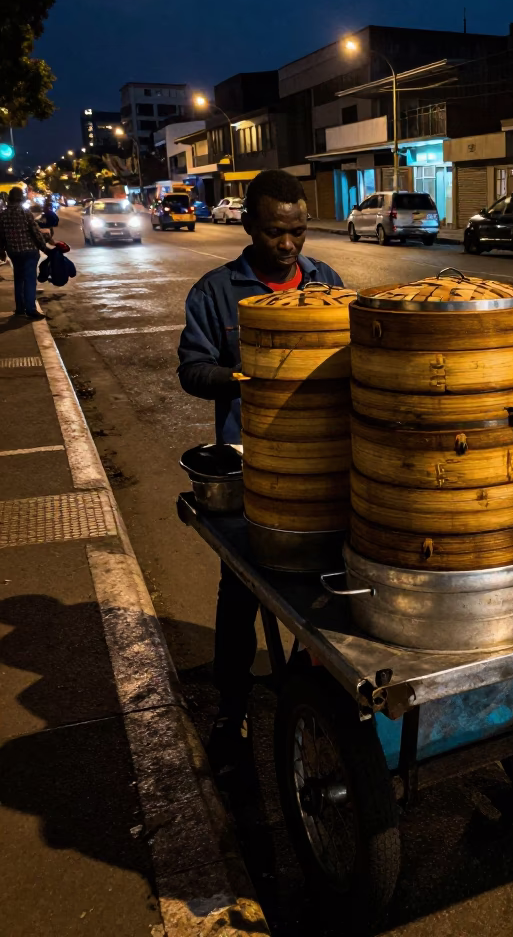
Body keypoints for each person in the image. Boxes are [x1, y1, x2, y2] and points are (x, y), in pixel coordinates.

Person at [177, 169, 343, 774]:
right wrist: (239, 378)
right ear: (249, 225)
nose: (289, 245)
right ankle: (233, 702)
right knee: (241, 590)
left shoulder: (328, 283)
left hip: (326, 462)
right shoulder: (218, 292)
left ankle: (319, 688)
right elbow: (192, 369)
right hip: (255, 463)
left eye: (298, 232)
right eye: (276, 232)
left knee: (329, 584)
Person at [0, 187, 52, 320]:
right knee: (29, 280)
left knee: (19, 279)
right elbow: (35, 233)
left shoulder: (3, 215)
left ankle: (20, 308)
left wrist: (2, 251)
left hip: (13, 252)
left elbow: (1, 235)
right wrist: (44, 247)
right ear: (21, 198)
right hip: (29, 251)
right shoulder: (25, 212)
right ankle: (30, 310)